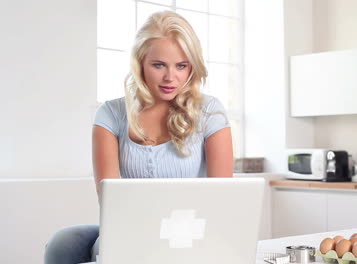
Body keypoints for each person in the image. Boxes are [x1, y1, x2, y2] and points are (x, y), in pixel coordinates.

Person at [44, 11, 233, 264]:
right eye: (159, 65)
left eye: (181, 65)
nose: (170, 77)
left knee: (106, 247)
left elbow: (223, 200)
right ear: (140, 63)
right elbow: (110, 200)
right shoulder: (111, 114)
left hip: (189, 232)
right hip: (130, 226)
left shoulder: (210, 112)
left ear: (192, 66)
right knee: (64, 242)